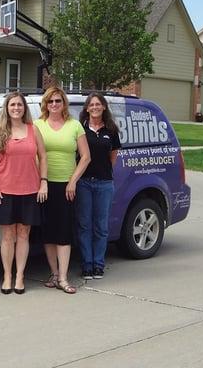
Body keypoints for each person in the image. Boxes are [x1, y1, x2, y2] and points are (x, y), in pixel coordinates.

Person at [0, 91, 48, 295]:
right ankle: (7, 276)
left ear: (24, 108)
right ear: (7, 108)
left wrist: (44, 183)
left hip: (30, 190)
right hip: (5, 191)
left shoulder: (33, 130)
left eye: (19, 105)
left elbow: (43, 157)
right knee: (7, 235)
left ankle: (20, 276)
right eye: (12, 105)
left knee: (23, 235)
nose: (16, 108)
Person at [34, 86, 90, 294]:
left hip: (67, 186)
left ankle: (64, 278)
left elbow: (85, 157)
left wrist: (73, 181)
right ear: (45, 105)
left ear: (64, 103)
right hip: (44, 185)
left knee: (64, 232)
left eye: (58, 101)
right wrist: (42, 181)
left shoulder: (74, 126)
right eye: (51, 102)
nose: (54, 105)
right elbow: (34, 154)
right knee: (48, 232)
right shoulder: (37, 125)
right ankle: (54, 273)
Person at [76, 93, 121, 280]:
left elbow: (113, 157)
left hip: (104, 183)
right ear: (86, 108)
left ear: (104, 107)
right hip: (84, 183)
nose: (94, 107)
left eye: (98, 104)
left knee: (101, 226)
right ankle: (87, 264)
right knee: (84, 225)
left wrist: (104, 173)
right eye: (91, 104)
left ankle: (98, 265)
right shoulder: (80, 129)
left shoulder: (111, 130)